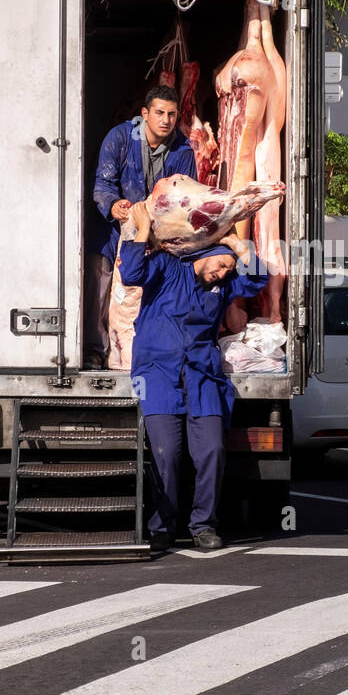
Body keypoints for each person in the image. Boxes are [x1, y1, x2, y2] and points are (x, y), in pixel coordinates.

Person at [118, 201, 269, 552]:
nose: (221, 273)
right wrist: (142, 230)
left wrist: (236, 246)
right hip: (157, 374)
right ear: (204, 255)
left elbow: (257, 279)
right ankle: (162, 526)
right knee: (165, 453)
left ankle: (203, 525)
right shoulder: (168, 267)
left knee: (213, 450)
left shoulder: (224, 284)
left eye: (227, 270)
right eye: (219, 266)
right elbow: (131, 274)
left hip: (202, 376)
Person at [88, 85, 196, 369]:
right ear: (145, 113)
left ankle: (142, 354)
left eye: (172, 114)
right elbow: (102, 183)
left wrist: (156, 230)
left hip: (158, 235)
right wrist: (113, 205)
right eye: (159, 112)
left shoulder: (183, 149)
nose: (166, 120)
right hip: (113, 230)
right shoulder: (121, 137)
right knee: (99, 280)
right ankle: (95, 350)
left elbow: (186, 198)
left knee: (147, 294)